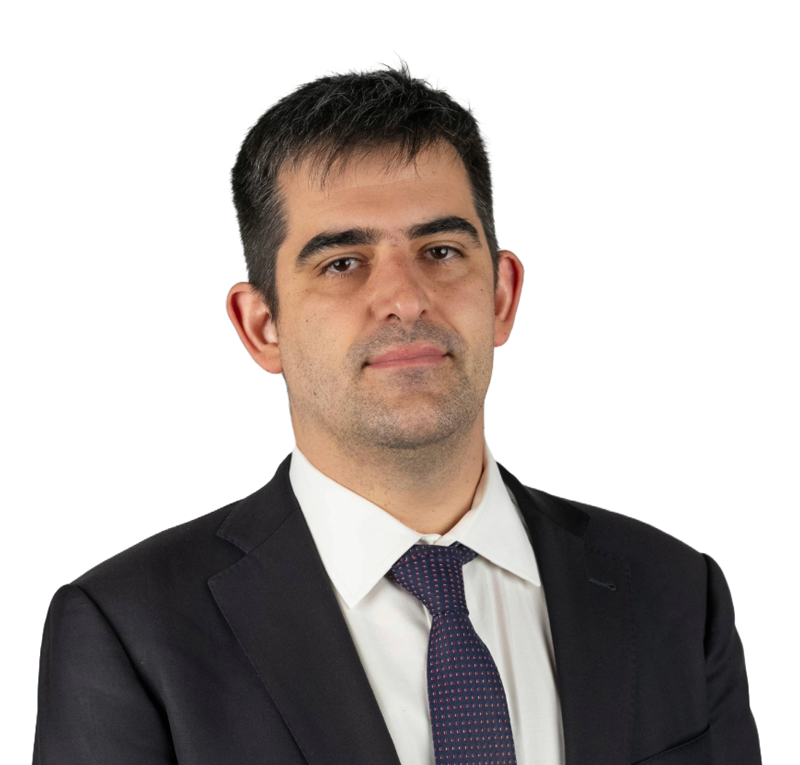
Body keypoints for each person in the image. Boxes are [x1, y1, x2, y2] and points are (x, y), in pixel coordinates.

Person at [32, 65, 761, 765]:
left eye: (440, 250)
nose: (406, 299)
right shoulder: (130, 633)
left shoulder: (673, 593)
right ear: (262, 327)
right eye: (342, 263)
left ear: (502, 296)